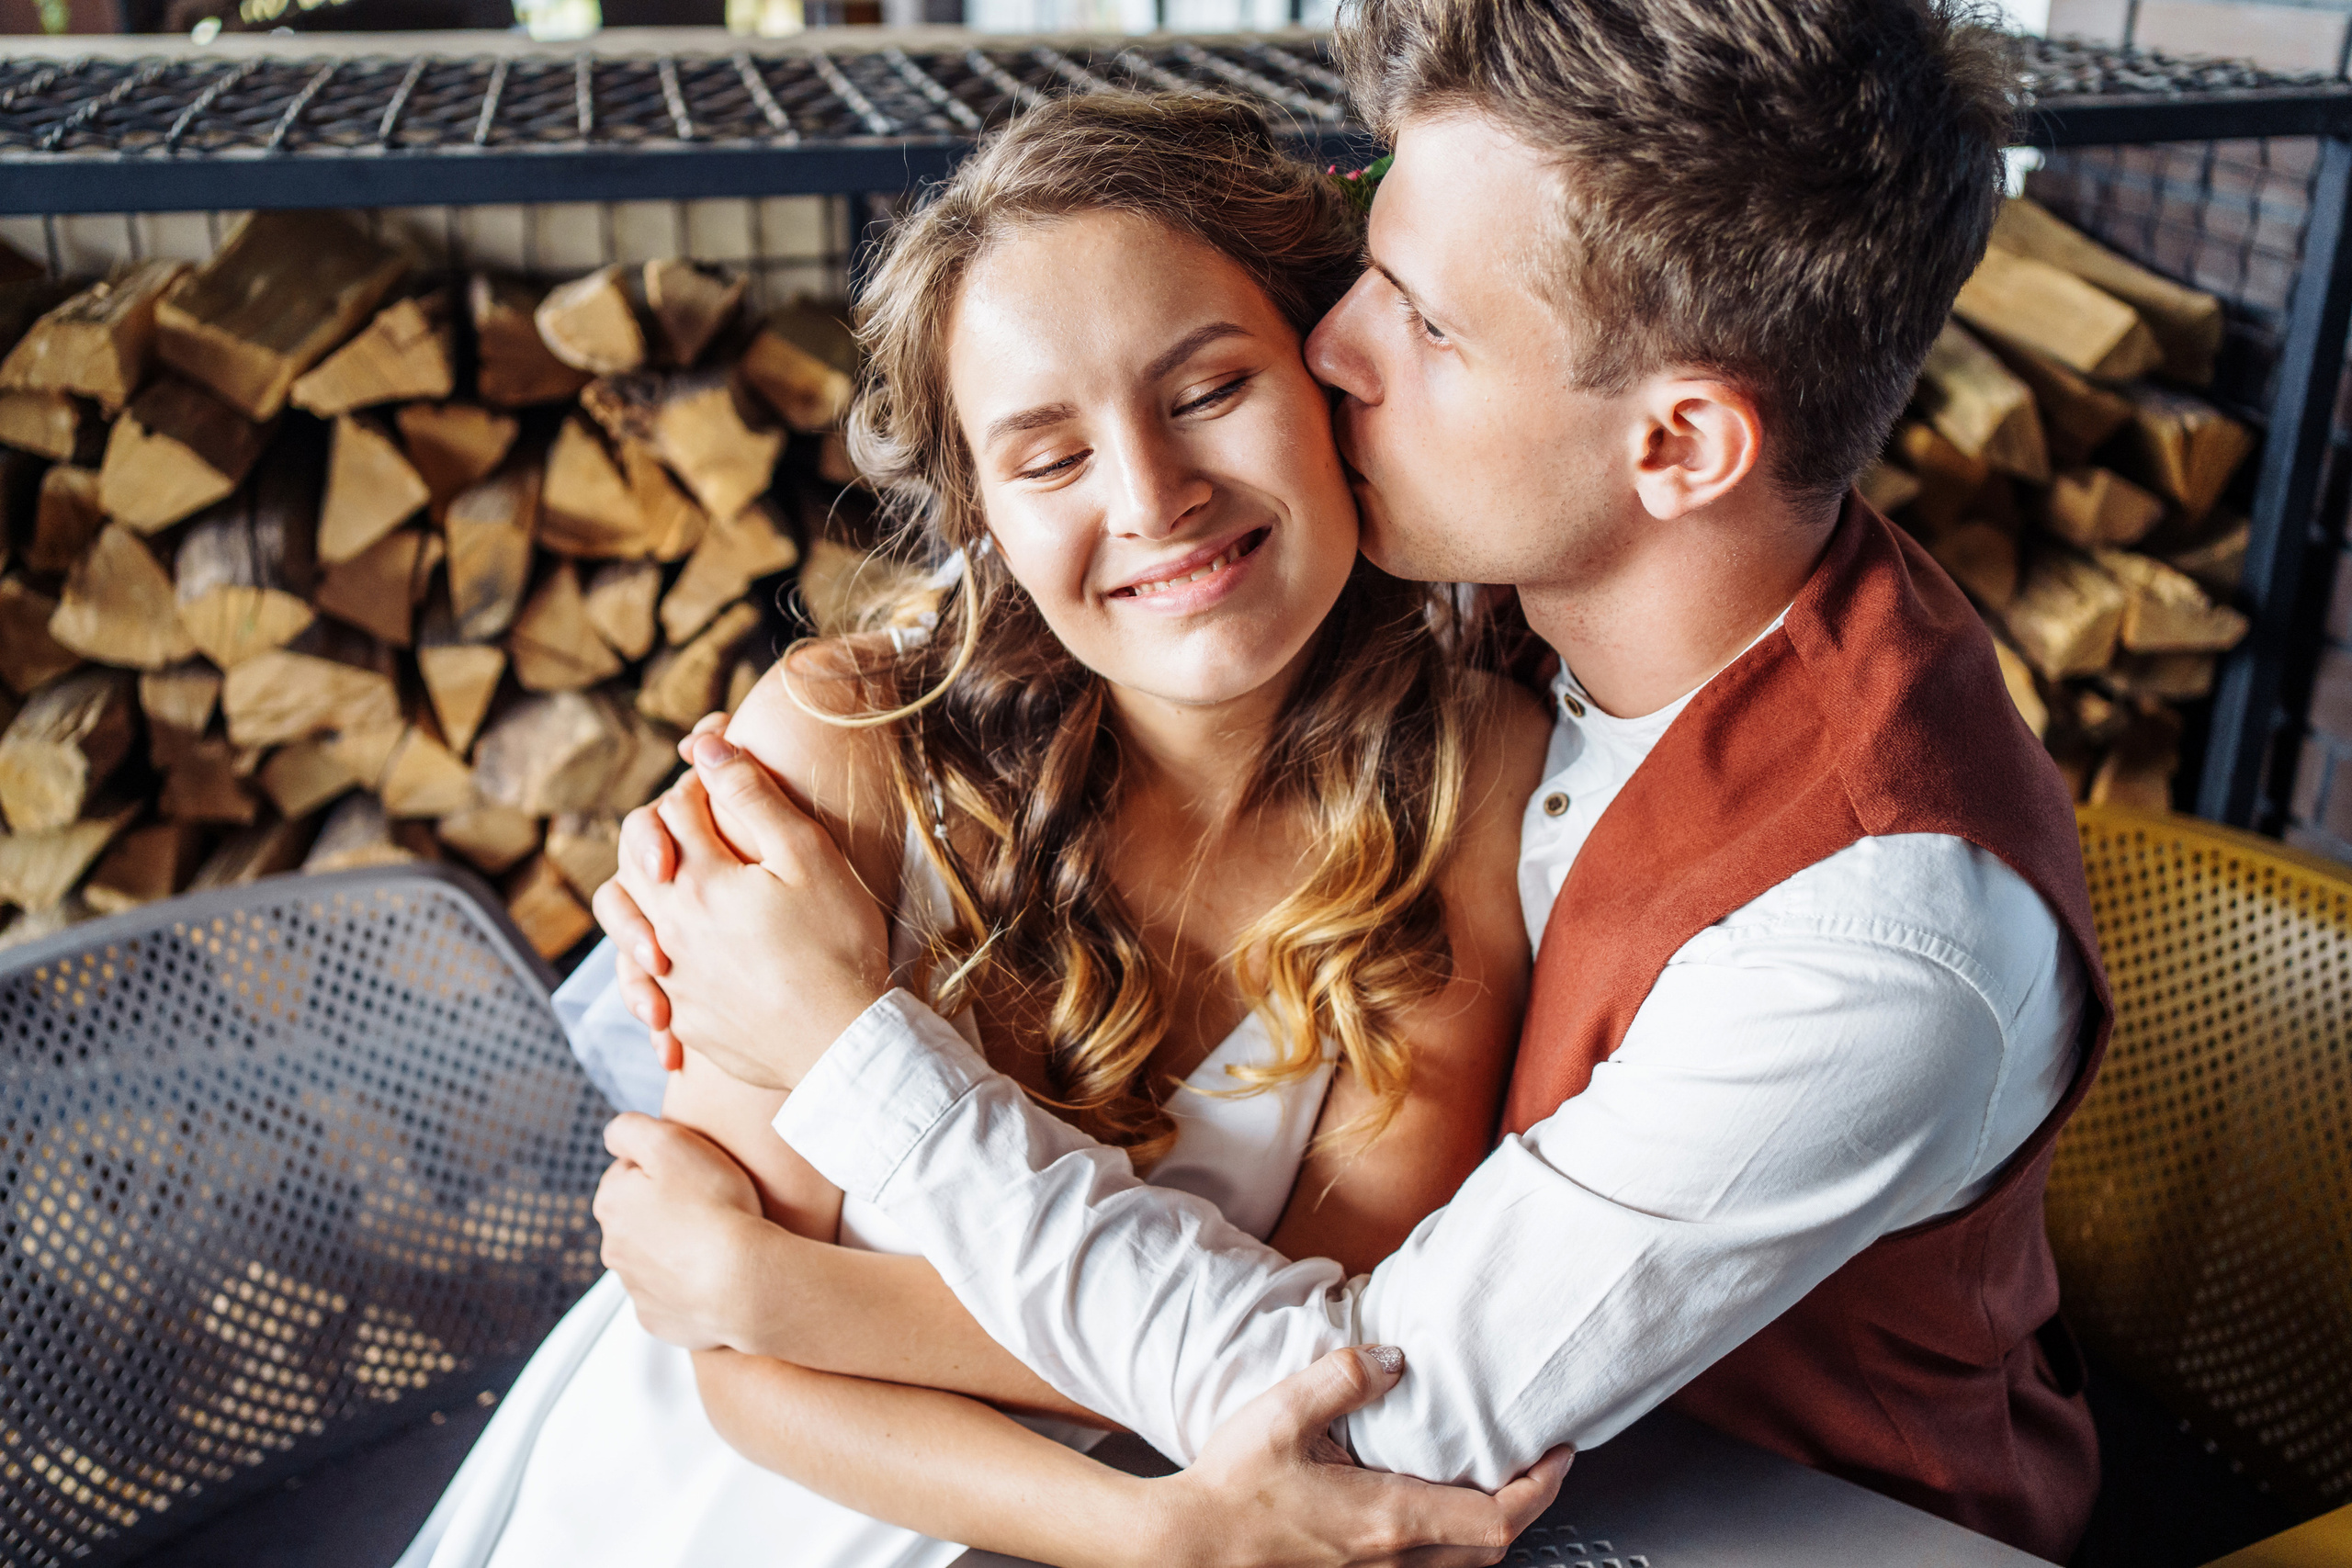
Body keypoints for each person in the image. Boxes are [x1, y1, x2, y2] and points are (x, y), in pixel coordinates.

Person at [601, 0, 2121, 1563]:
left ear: (1678, 447)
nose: (1335, 347)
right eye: (1368, 269)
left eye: (1425, 317)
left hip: (1775, 1527)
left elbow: (1372, 1412)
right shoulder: (1540, 568)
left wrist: (805, 1225)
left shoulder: (1874, 944)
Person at [397, 92, 1567, 1568]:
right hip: (730, 1511)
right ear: (981, 516)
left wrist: (778, 1288)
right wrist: (1146, 1531)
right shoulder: (843, 749)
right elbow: (733, 1376)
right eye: (1047, 454)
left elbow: (1323, 1349)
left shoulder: (1469, 779)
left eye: (1207, 390)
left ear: (1330, 369)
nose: (1154, 498)